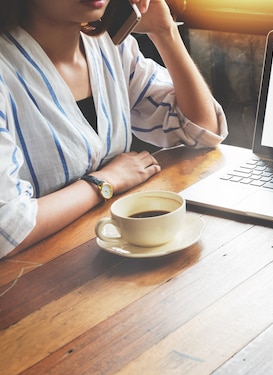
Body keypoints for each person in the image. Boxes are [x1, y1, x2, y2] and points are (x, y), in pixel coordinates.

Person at [0, 0, 228, 258]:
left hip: (112, 257)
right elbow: (6, 228)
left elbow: (202, 128)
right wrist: (103, 182)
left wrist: (164, 31)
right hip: (32, 280)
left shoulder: (110, 48)